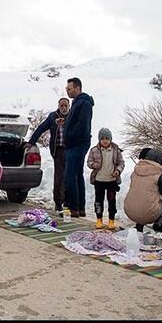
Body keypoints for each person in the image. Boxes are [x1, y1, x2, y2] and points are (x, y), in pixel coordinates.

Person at [27, 98, 70, 212]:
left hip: (70, 151)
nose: (64, 108)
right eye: (62, 106)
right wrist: (32, 142)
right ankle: (58, 202)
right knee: (59, 177)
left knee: (70, 176)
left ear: (69, 106)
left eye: (66, 106)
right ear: (58, 106)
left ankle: (69, 201)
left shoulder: (72, 116)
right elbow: (41, 128)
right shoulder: (52, 117)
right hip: (58, 150)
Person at [63, 77, 94, 218]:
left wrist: (69, 137)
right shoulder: (77, 103)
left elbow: (82, 125)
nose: (67, 91)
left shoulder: (84, 103)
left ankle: (73, 207)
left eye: (69, 89)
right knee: (77, 174)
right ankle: (80, 208)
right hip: (76, 143)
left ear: (77, 88)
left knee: (70, 175)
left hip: (77, 144)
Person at [124, 151, 162, 232]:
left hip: (129, 211)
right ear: (159, 160)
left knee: (141, 196)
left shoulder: (135, 171)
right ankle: (158, 225)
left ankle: (139, 225)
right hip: (147, 214)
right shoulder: (160, 174)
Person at [87, 128, 125, 229]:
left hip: (111, 181)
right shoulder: (94, 150)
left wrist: (117, 171)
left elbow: (121, 163)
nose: (105, 140)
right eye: (102, 138)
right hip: (99, 180)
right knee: (98, 201)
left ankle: (111, 221)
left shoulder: (115, 150)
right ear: (99, 139)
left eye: (107, 138)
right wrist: (93, 165)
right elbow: (89, 162)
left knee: (112, 201)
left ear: (110, 139)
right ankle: (99, 220)